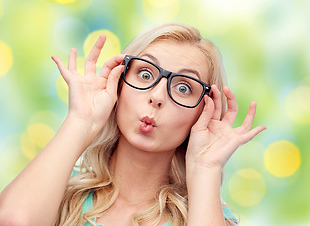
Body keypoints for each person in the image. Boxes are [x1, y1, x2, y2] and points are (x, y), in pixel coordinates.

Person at [0, 23, 266, 226]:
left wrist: (206, 168)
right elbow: (13, 221)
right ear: (118, 83)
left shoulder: (206, 214)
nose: (157, 96)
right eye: (146, 73)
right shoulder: (58, 187)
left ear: (203, 113)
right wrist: (81, 119)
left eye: (183, 87)